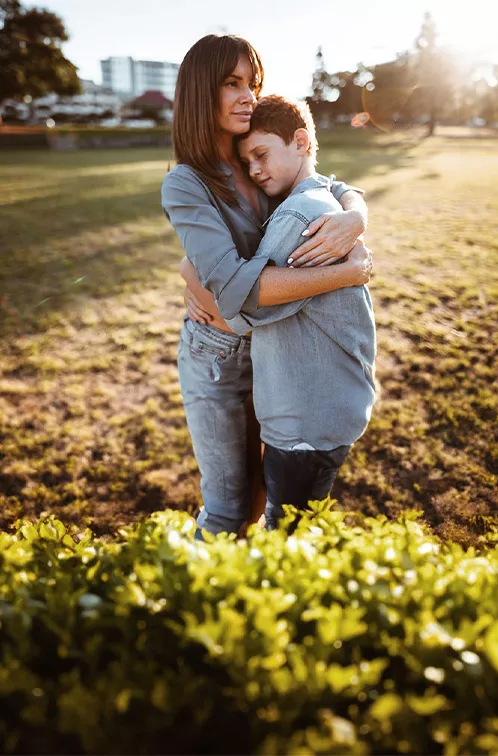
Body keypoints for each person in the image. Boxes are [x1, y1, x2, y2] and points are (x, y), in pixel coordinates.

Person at [161, 34, 372, 540]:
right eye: (231, 84)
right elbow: (234, 286)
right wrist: (348, 272)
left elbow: (326, 182)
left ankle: (250, 598)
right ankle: (192, 607)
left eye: (251, 83)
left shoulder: (255, 161)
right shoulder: (186, 182)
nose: (247, 96)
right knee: (228, 508)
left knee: (262, 499)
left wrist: (357, 216)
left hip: (273, 350)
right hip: (217, 352)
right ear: (199, 91)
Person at [231, 95, 376, 530]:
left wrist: (192, 279)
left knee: (284, 540)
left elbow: (249, 304)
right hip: (324, 407)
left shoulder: (299, 214)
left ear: (300, 142)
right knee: (292, 527)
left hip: (305, 423)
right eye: (246, 162)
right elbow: (336, 185)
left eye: (261, 155)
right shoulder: (318, 197)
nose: (255, 170)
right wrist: (358, 209)